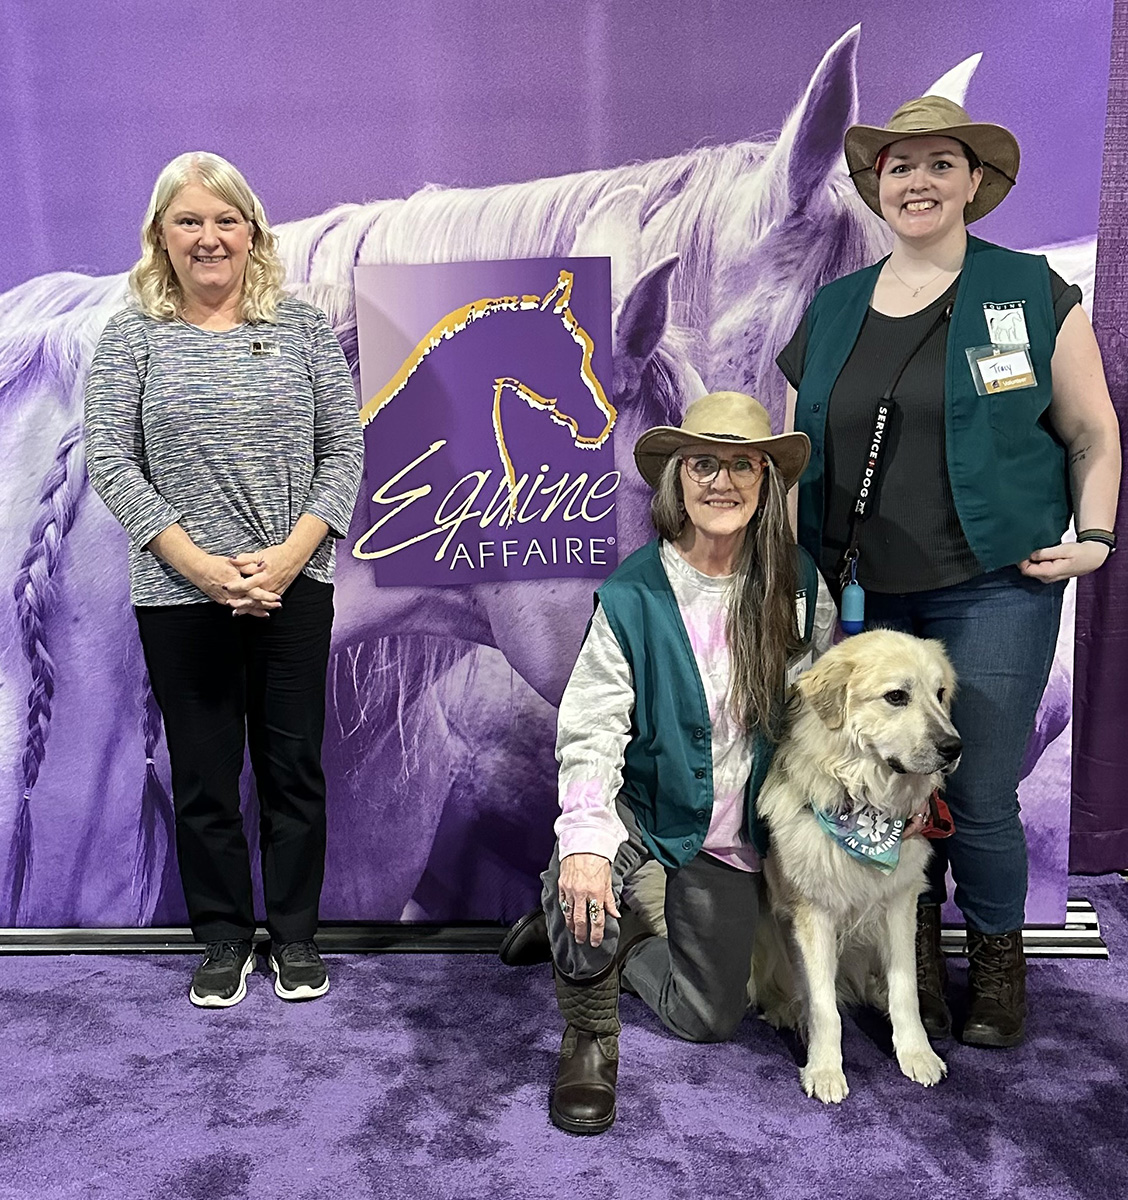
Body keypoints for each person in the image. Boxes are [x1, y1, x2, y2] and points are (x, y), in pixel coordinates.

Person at [777, 97, 1121, 1048]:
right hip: (866, 593)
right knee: (882, 785)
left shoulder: (1029, 292)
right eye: (899, 167)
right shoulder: (834, 305)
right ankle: (913, 956)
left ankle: (1000, 962)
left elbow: (1092, 433)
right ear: (876, 186)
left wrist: (1096, 536)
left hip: (993, 584)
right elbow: (802, 447)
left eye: (940, 164)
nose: (917, 181)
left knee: (975, 791)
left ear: (974, 184)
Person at [503, 392, 835, 1134]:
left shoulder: (801, 586)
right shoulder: (633, 593)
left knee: (708, 1017)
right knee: (582, 876)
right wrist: (586, 847)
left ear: (766, 479)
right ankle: (588, 1033)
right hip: (646, 810)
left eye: (742, 465)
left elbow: (816, 714)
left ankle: (587, 942)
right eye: (704, 464)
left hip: (731, 833)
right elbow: (591, 731)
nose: (722, 481)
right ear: (677, 480)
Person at [84, 152, 364, 1008]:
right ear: (160, 237)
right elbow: (111, 456)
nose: (209, 238)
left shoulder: (304, 328)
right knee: (203, 777)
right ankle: (221, 939)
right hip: (181, 595)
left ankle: (296, 937)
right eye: (188, 222)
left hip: (291, 586)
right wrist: (201, 566)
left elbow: (343, 450)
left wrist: (286, 557)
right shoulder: (132, 333)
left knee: (292, 772)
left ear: (252, 232)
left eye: (225, 220)